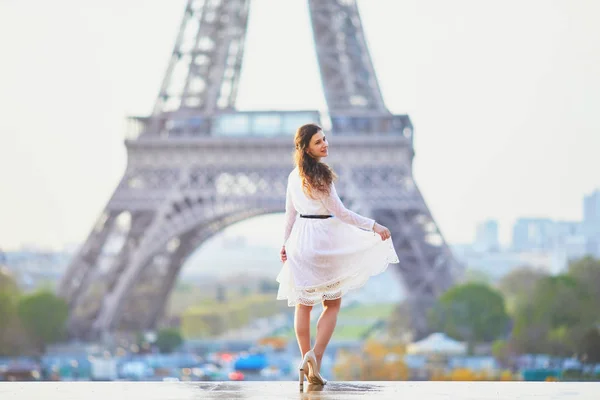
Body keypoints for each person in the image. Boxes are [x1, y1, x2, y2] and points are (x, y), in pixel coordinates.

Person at [276, 123, 399, 389]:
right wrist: (373, 225)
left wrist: (285, 244)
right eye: (319, 142)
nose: (325, 144)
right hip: (323, 241)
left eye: (325, 139)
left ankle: (304, 358)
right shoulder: (322, 176)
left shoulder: (292, 176)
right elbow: (342, 213)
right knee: (331, 305)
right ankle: (315, 359)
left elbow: (290, 215)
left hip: (300, 240)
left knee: (302, 305)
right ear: (307, 148)